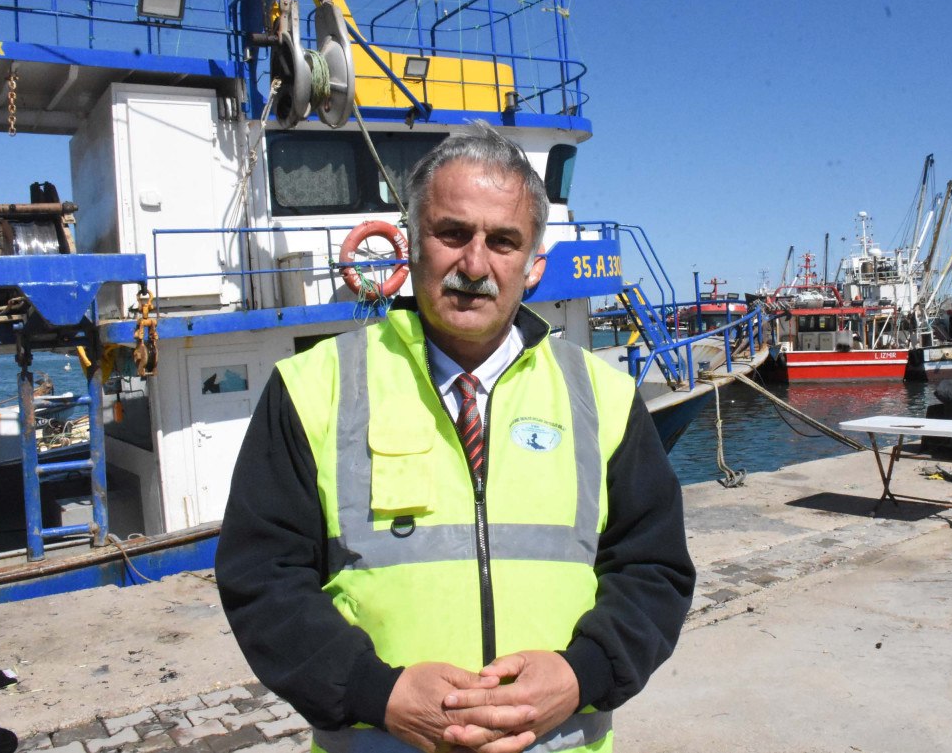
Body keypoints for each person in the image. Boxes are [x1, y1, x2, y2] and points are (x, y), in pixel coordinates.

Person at [215, 123, 695, 753]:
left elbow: (654, 569)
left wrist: (583, 673)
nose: (474, 264)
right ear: (412, 244)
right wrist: (375, 692)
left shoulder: (603, 396)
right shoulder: (311, 388)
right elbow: (262, 578)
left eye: (503, 241)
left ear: (534, 265)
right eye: (452, 233)